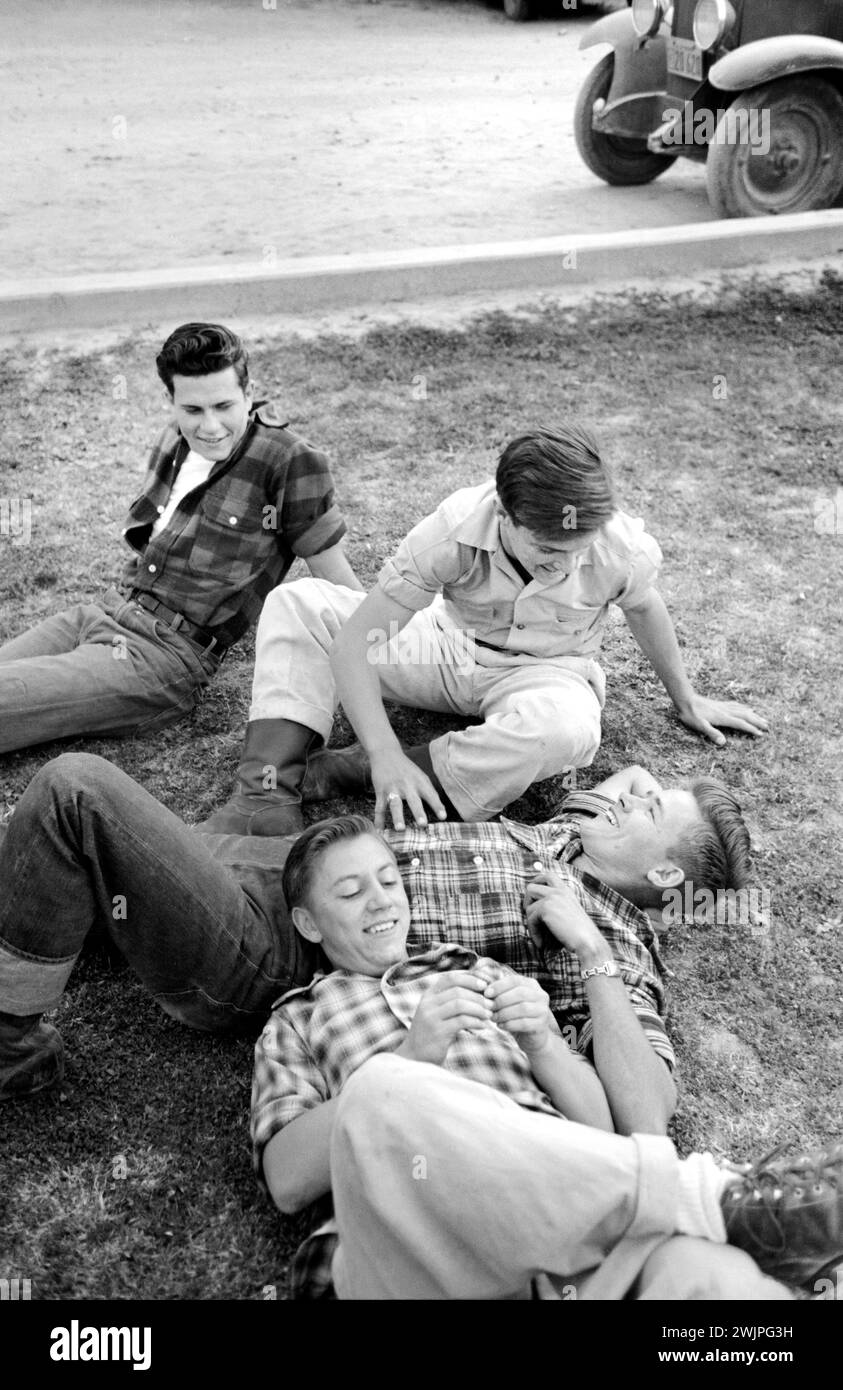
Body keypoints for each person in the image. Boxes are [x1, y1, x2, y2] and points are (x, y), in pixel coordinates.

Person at [252, 814, 840, 1301]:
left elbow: (607, 1133)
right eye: (351, 892)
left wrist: (543, 1044)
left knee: (712, 1277)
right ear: (308, 923)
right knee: (384, 1089)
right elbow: (285, 1180)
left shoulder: (477, 970)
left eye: (388, 880)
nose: (381, 900)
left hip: (559, 1238)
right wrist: (413, 1056)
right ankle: (712, 1198)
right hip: (416, 1244)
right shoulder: (296, 1019)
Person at [0, 757, 744, 1106]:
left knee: (75, 794)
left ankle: (10, 1046)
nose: (629, 800)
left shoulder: (618, 943)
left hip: (277, 947)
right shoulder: (566, 836)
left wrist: (590, 951)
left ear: (666, 878)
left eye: (650, 812)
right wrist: (654, 797)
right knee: (37, 857)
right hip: (284, 865)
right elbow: (627, 775)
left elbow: (645, 1115)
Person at [204, 424, 768, 836]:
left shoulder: (620, 545)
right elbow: (355, 643)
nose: (567, 566)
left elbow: (644, 608)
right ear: (504, 513)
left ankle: (351, 771)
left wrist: (686, 699)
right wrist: (384, 748)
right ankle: (264, 798)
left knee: (567, 730)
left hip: (548, 673)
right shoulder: (453, 528)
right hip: (445, 645)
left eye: (579, 549)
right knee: (301, 602)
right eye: (548, 549)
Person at [0, 322, 359, 757]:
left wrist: (396, 652)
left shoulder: (288, 459)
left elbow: (339, 589)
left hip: (163, 657)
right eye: (192, 410)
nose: (210, 426)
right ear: (170, 400)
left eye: (224, 406)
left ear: (249, 393)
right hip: (103, 614)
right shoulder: (173, 440)